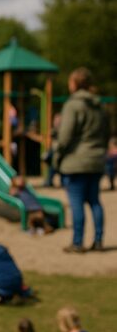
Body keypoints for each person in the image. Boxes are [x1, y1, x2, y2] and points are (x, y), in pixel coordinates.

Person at [54, 68, 109, 253]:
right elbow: (107, 132)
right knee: (94, 201)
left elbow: (65, 135)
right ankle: (99, 240)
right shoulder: (99, 105)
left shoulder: (73, 104)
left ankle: (77, 243)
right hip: (97, 159)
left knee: (76, 202)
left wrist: (57, 154)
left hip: (76, 160)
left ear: (75, 84)